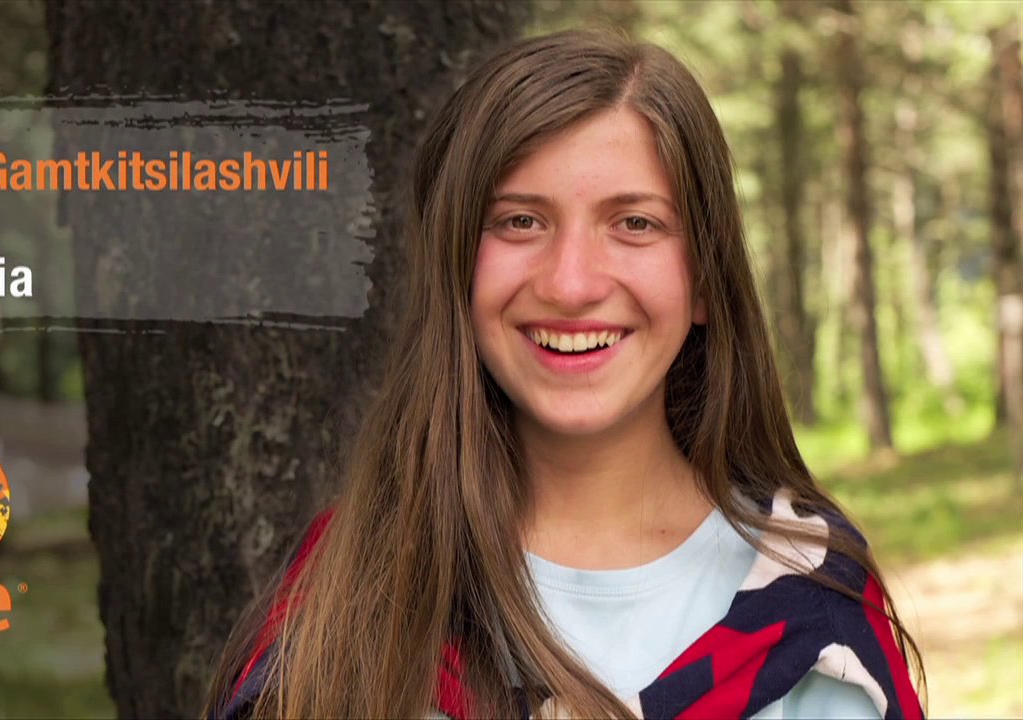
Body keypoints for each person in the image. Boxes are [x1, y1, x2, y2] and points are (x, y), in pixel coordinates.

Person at [204, 29, 925, 720]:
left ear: (705, 277)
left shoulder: (815, 619)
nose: (571, 284)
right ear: (455, 270)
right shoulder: (341, 599)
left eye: (635, 223)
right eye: (520, 221)